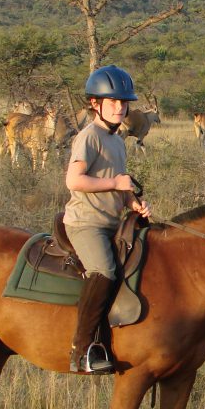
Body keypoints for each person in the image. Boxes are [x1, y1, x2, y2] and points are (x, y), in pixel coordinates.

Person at [64, 65, 152, 373]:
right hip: (86, 222)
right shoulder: (89, 137)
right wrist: (116, 185)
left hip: (113, 222)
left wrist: (133, 202)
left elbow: (118, 182)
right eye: (112, 101)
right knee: (104, 270)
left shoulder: (117, 140)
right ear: (94, 104)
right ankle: (81, 349)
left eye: (123, 101)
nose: (119, 107)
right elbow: (74, 181)